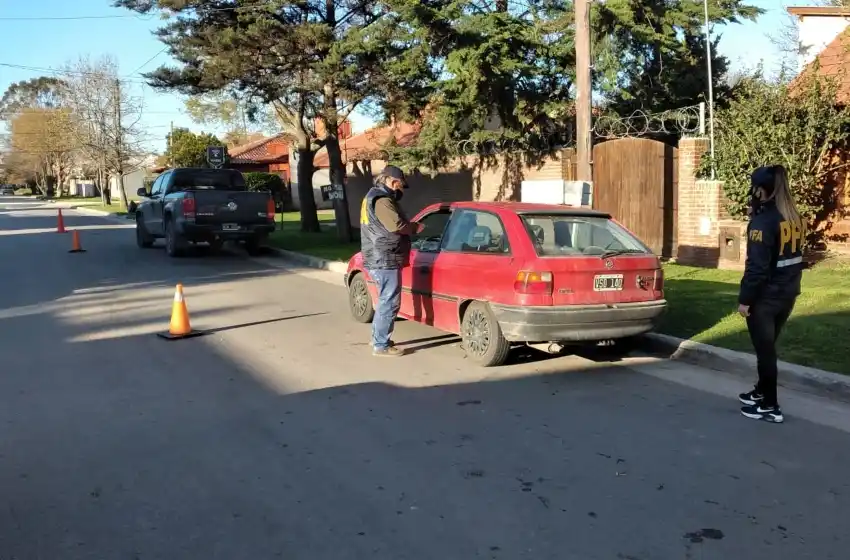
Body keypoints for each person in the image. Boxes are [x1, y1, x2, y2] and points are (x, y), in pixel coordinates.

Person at [737, 164, 806, 424]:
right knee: (767, 347)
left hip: (766, 298)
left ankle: (770, 406)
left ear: (761, 190)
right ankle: (760, 391)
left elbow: (757, 269)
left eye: (754, 188)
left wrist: (745, 300)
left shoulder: (763, 223)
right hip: (788, 293)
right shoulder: (793, 217)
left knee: (765, 352)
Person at [359, 165, 422, 357]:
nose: (401, 190)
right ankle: (381, 345)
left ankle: (377, 338)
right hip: (385, 257)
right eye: (400, 185)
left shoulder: (371, 196)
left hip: (378, 255)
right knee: (390, 301)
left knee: (385, 300)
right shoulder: (382, 200)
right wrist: (414, 228)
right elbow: (396, 225)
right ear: (393, 182)